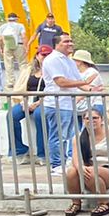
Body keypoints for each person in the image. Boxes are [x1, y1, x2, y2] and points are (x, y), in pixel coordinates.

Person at [40, 32, 90, 171]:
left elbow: (77, 81)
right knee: (58, 136)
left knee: (70, 136)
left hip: (69, 104)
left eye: (71, 41)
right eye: (66, 41)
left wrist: (91, 88)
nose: (70, 44)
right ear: (57, 44)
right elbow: (61, 82)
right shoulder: (52, 59)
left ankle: (67, 161)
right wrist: (85, 83)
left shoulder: (68, 60)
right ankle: (56, 164)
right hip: (57, 104)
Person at [63, 104, 109, 216]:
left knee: (90, 171)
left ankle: (104, 203)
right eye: (87, 118)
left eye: (95, 118)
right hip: (89, 170)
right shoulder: (78, 138)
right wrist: (80, 167)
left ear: (101, 120)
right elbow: (76, 159)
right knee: (71, 171)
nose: (91, 121)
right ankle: (76, 203)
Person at [0, 11, 24, 91]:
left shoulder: (3, 27)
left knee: (8, 64)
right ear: (16, 19)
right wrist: (26, 46)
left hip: (7, 46)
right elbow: (24, 36)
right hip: (18, 45)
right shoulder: (20, 26)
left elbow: (0, 39)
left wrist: (1, 48)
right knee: (22, 64)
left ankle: (10, 82)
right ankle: (22, 81)